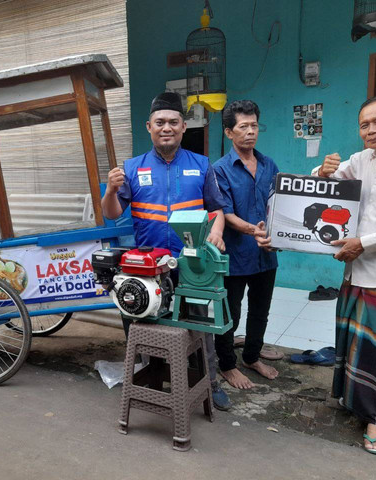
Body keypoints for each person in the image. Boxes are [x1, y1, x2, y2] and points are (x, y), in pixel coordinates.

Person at [258, 96, 376, 455]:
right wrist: (323, 171)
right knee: (350, 341)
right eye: (364, 125)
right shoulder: (361, 161)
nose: (371, 130)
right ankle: (351, 400)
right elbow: (324, 183)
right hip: (355, 270)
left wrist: (364, 242)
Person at [102, 92, 232, 411]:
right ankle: (155, 378)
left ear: (183, 127)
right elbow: (110, 212)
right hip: (149, 266)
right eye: (160, 122)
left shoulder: (201, 165)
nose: (166, 128)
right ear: (149, 127)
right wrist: (110, 189)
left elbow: (216, 209)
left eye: (173, 122)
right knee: (147, 323)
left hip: (191, 263)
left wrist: (216, 232)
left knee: (199, 325)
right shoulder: (132, 168)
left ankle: (209, 382)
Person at [212, 100, 280, 390]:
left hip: (266, 254)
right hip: (236, 255)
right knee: (231, 313)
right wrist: (256, 230)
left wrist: (280, 233)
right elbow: (224, 213)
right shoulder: (220, 170)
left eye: (254, 126)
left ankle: (252, 356)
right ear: (229, 132)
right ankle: (227, 364)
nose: (250, 132)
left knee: (261, 310)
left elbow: (280, 204)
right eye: (243, 127)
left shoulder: (269, 164)